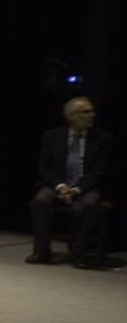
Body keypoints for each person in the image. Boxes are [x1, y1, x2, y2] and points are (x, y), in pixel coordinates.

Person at [27, 96, 112, 268]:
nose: (91, 115)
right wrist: (60, 187)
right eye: (86, 112)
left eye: (92, 111)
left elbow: (100, 171)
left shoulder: (103, 138)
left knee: (88, 204)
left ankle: (78, 251)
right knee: (40, 201)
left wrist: (76, 190)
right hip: (57, 183)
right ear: (71, 116)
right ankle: (42, 251)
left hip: (85, 186)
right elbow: (44, 168)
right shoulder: (52, 136)